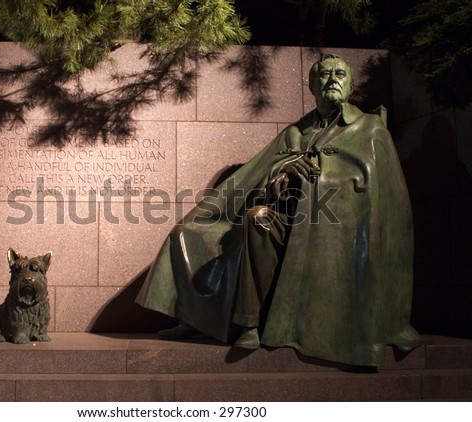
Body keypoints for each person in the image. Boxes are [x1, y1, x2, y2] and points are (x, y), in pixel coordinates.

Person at [136, 53, 426, 368]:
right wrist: (283, 173)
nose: (331, 79)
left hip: (336, 228)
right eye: (324, 75)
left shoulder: (369, 128)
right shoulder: (295, 132)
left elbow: (376, 189)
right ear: (313, 86)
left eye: (339, 74)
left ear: (351, 84)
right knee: (224, 225)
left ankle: (244, 322)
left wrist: (320, 171)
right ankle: (215, 319)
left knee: (258, 219)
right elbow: (258, 177)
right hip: (287, 218)